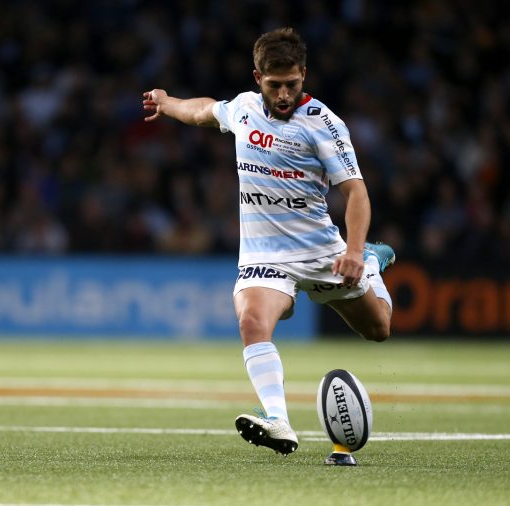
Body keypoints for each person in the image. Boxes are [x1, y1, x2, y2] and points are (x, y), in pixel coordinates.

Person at [142, 27, 395, 466]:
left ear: (304, 76)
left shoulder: (325, 125)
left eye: (292, 85)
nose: (283, 94)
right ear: (256, 76)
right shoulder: (242, 109)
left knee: (378, 329)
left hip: (322, 253)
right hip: (264, 256)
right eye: (274, 85)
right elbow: (204, 111)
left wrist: (355, 252)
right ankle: (277, 419)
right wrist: (167, 104)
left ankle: (373, 260)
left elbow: (356, 193)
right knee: (252, 321)